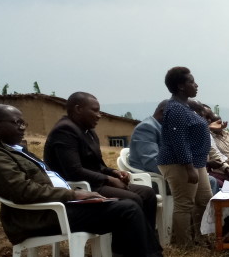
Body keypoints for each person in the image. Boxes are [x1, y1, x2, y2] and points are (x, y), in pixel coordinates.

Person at [0, 105, 177, 257]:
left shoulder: (11, 148)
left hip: (58, 203)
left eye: (24, 123)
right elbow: (22, 191)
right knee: (128, 208)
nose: (23, 128)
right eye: (17, 123)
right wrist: (73, 194)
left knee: (131, 202)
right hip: (42, 214)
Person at [44, 92, 160, 229]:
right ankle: (127, 247)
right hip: (81, 186)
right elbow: (73, 171)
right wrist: (108, 179)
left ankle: (148, 240)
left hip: (95, 181)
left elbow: (97, 165)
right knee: (132, 199)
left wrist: (114, 172)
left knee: (148, 193)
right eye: (94, 110)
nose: (99, 115)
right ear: (78, 109)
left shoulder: (88, 131)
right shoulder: (65, 131)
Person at [158, 66, 213, 247]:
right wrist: (189, 167)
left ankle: (201, 237)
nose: (196, 85)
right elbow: (179, 140)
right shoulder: (176, 110)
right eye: (191, 81)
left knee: (204, 200)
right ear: (181, 86)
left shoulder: (185, 106)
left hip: (197, 162)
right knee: (184, 204)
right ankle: (184, 245)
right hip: (180, 163)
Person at [127, 100, 169, 174]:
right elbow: (152, 161)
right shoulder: (146, 127)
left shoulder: (162, 128)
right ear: (163, 112)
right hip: (149, 178)